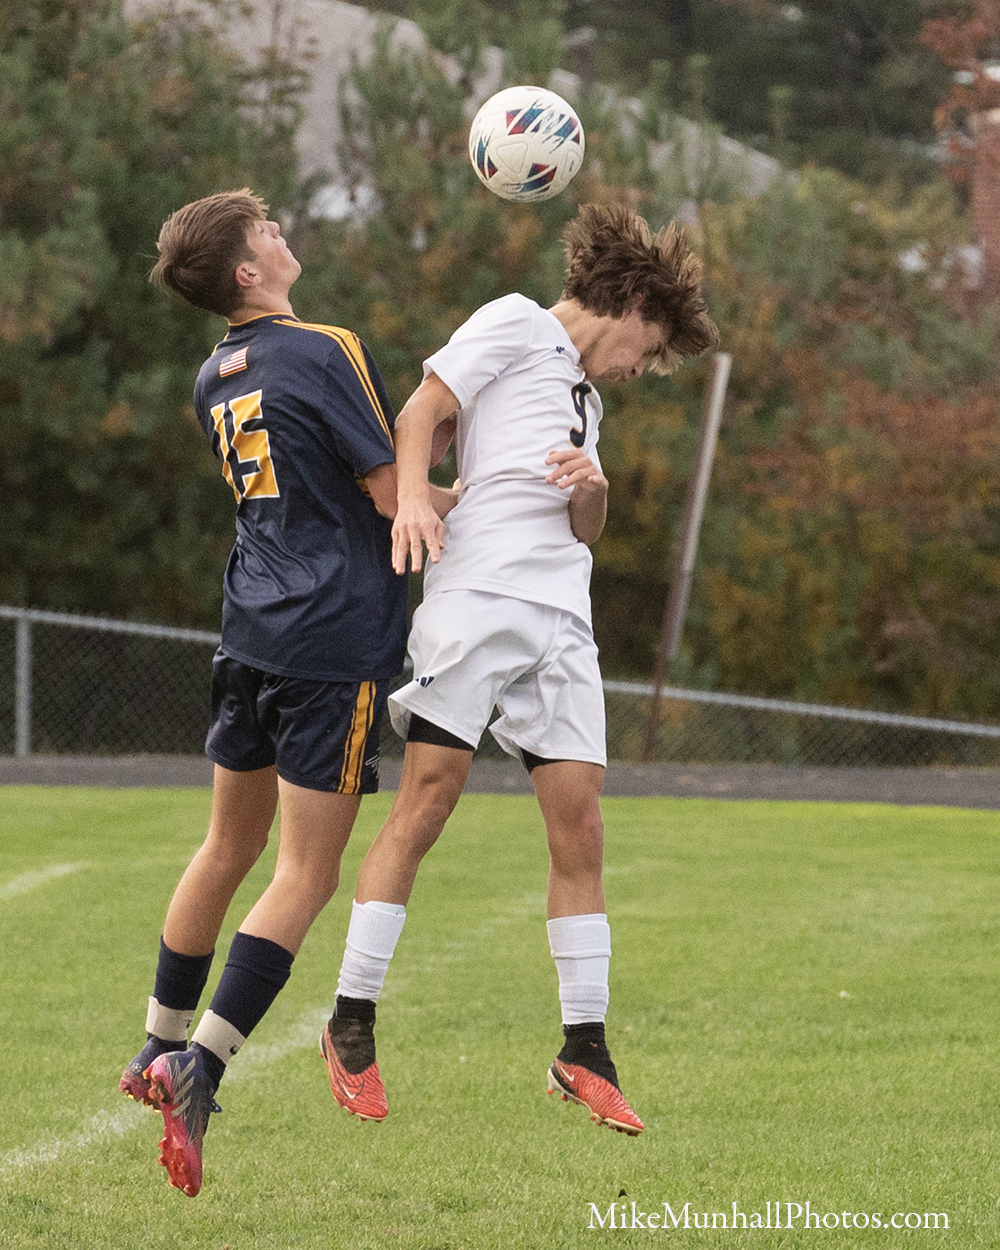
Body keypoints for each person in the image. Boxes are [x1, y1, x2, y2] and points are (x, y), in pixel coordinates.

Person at [318, 202, 719, 1135]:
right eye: (651, 348)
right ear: (630, 304)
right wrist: (413, 501)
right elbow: (421, 411)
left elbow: (586, 528)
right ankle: (350, 1021)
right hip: (480, 600)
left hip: (562, 621)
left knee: (581, 826)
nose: (642, 368)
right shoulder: (514, 321)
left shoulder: (588, 400)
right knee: (430, 799)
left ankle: (585, 1051)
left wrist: (596, 489)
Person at [118, 189, 451, 1197]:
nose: (280, 232)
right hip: (331, 637)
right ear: (247, 271)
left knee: (227, 845)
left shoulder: (211, 374)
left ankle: (155, 1043)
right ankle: (202, 1070)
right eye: (265, 229)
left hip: (251, 628)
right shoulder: (324, 347)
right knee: (306, 872)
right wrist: (495, 495)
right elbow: (390, 494)